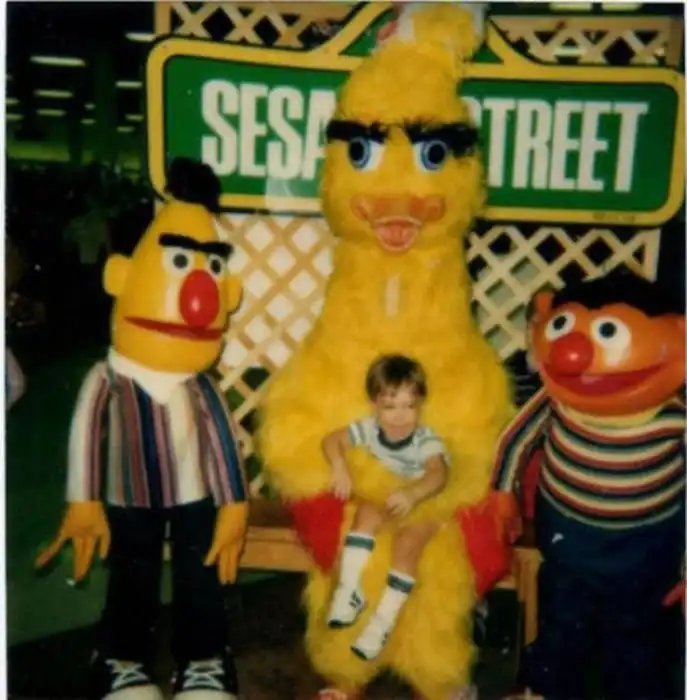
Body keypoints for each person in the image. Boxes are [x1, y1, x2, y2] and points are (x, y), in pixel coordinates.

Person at [321, 354, 449, 660]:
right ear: (374, 405)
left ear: (421, 404)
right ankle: (349, 591)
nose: (399, 417)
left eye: (409, 406)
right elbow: (331, 440)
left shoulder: (424, 438)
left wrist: (414, 494)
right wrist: (339, 465)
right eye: (390, 407)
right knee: (365, 511)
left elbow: (439, 474)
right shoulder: (370, 428)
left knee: (407, 544)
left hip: (428, 497)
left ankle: (382, 622)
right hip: (393, 493)